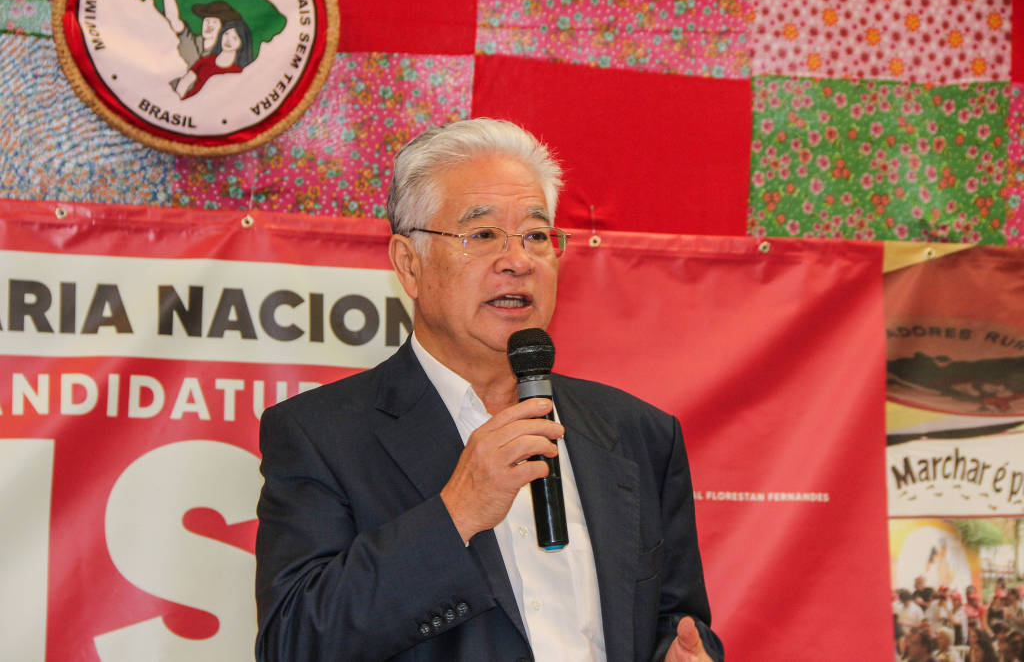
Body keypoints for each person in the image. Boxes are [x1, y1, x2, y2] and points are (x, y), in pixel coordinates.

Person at [254, 118, 724, 661]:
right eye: (482, 235)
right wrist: (457, 511)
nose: (518, 261)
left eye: (535, 235)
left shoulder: (638, 433)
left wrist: (683, 652)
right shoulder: (320, 435)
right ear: (409, 264)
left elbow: (676, 619)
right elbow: (293, 643)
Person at [174, 19, 255, 99]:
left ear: (242, 42)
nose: (228, 40)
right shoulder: (206, 61)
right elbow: (185, 82)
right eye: (226, 34)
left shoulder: (238, 72)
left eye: (235, 37)